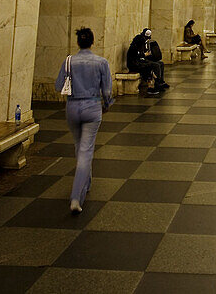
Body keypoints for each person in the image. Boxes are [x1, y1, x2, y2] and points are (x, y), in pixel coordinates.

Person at [55, 27, 113, 214]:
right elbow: (107, 91)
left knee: (79, 145)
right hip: (92, 107)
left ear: (78, 43)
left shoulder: (69, 61)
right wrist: (108, 103)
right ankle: (76, 197)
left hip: (72, 107)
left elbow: (58, 86)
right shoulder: (101, 62)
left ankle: (85, 183)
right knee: (86, 151)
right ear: (93, 42)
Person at [127, 28, 168, 95]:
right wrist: (145, 54)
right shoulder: (133, 48)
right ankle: (155, 84)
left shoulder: (139, 46)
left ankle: (159, 81)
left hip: (139, 62)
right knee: (153, 65)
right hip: (134, 65)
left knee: (159, 63)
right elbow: (137, 57)